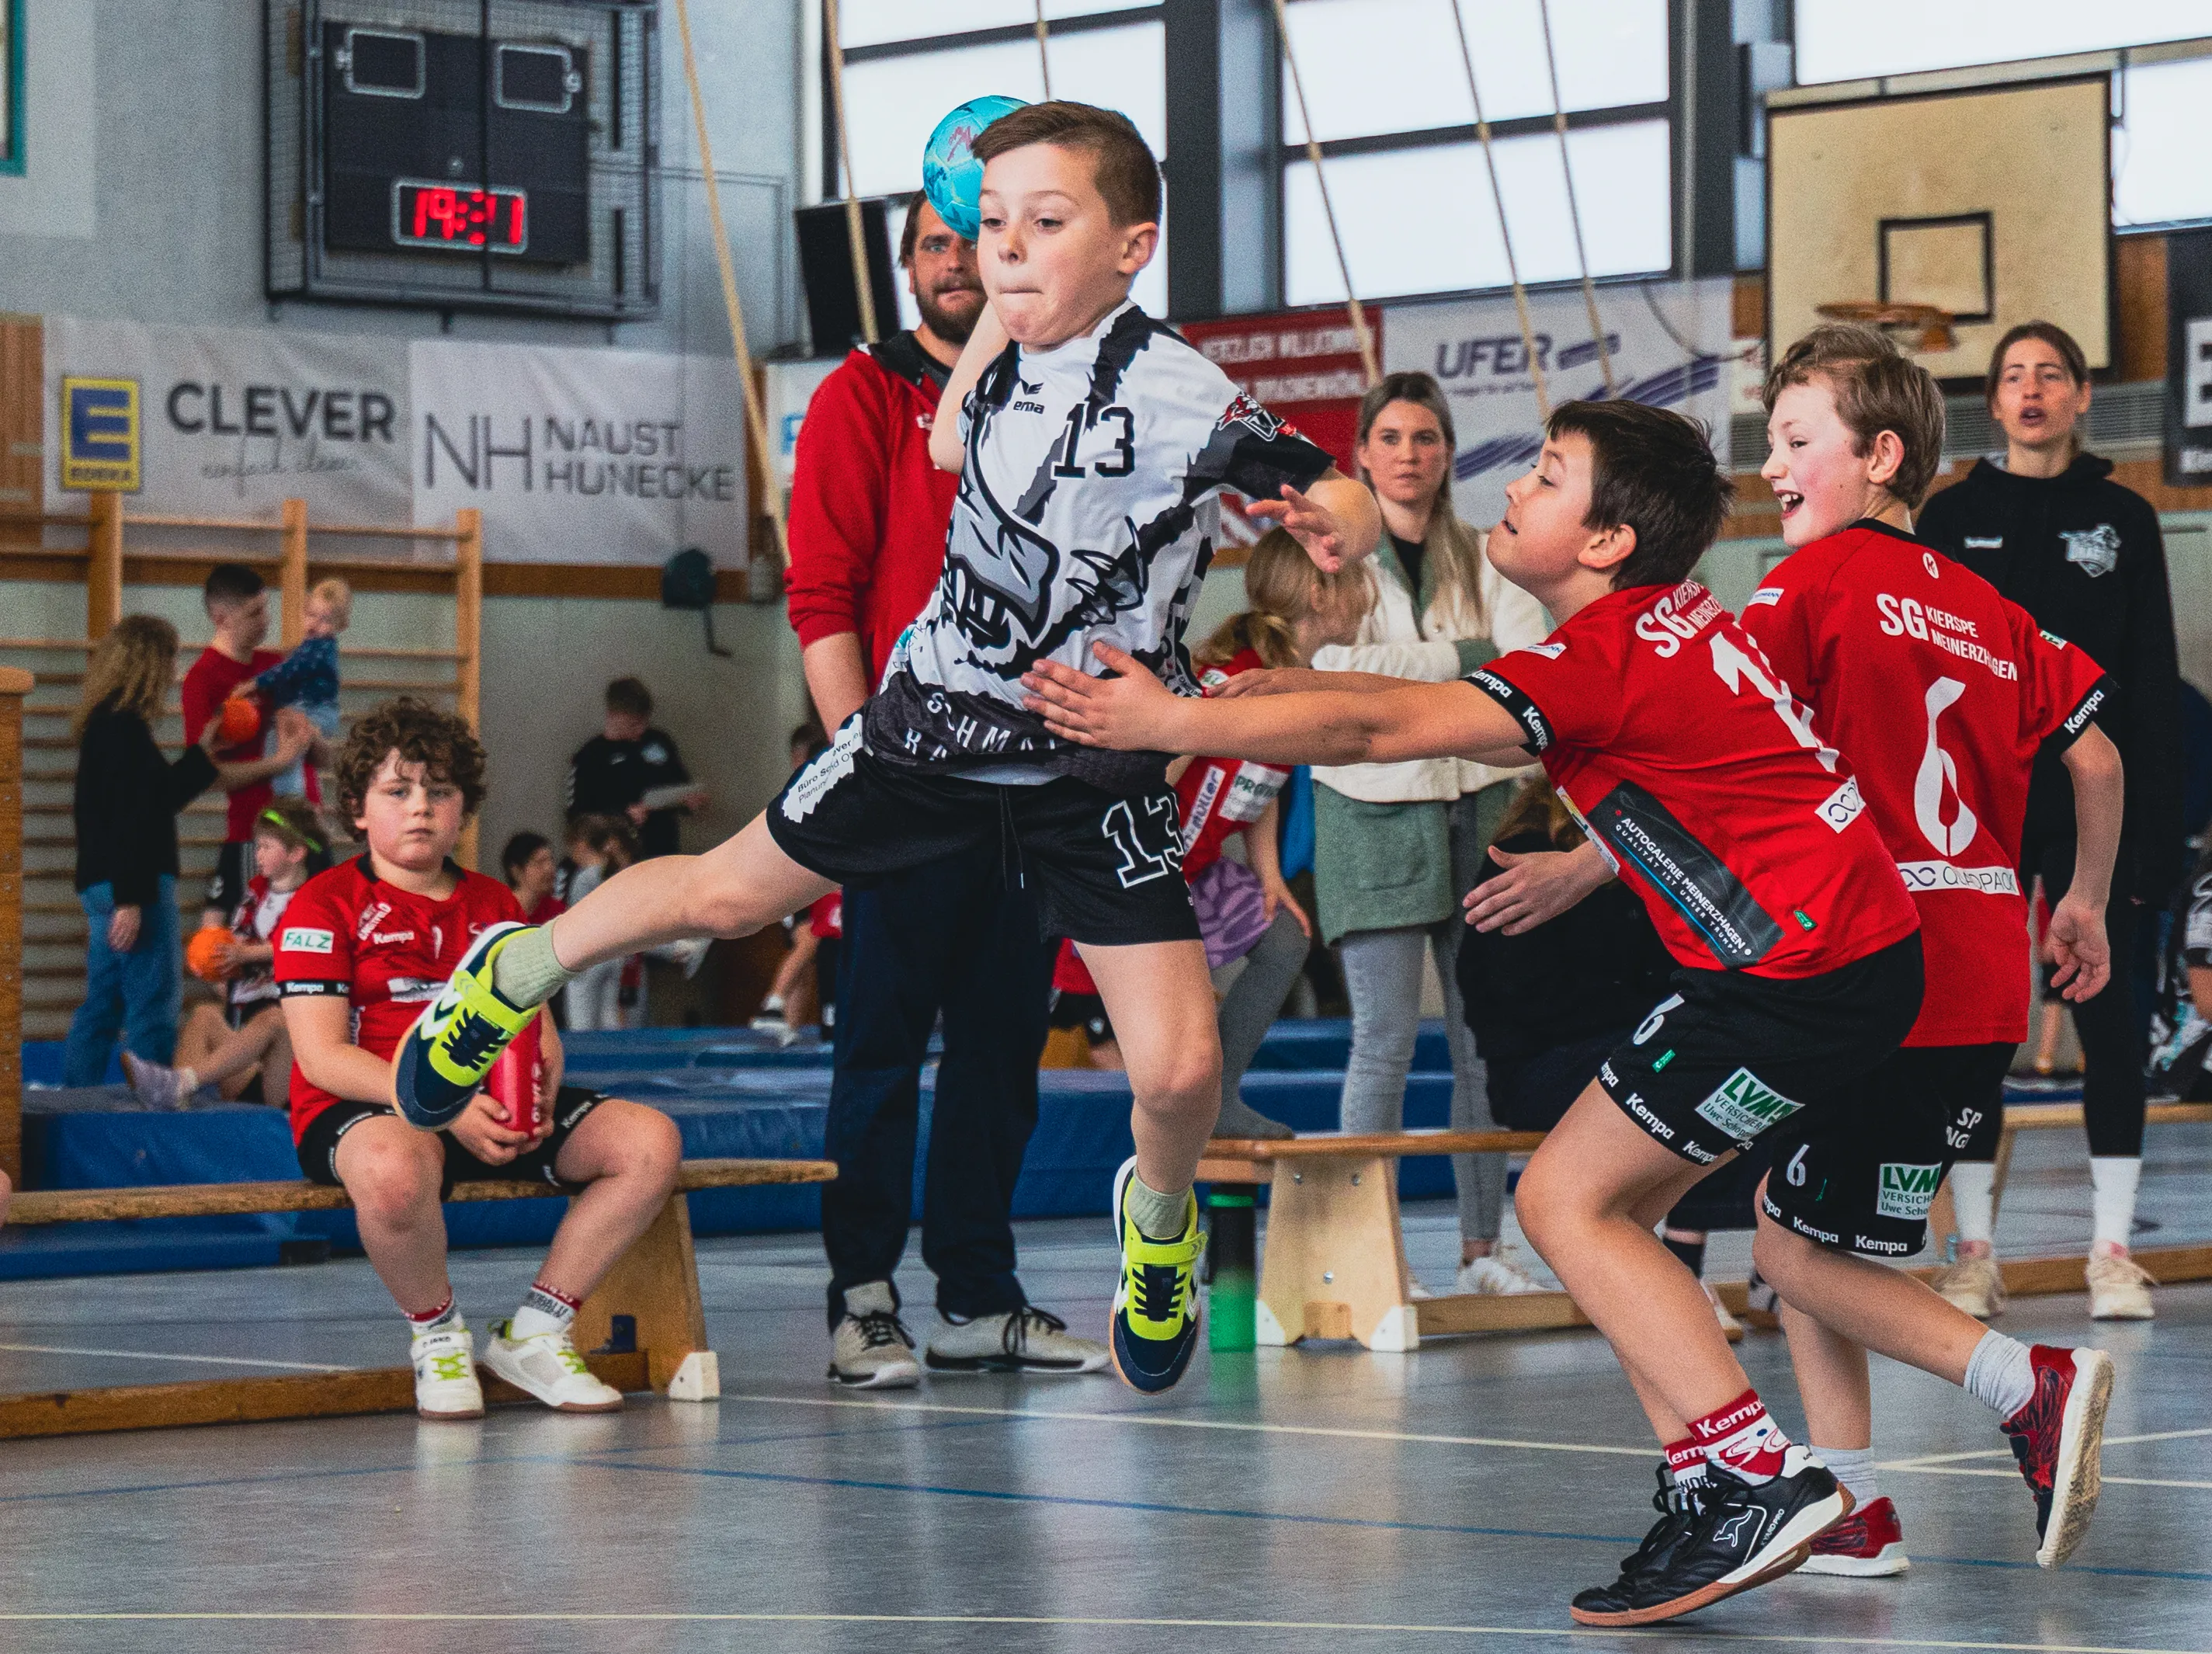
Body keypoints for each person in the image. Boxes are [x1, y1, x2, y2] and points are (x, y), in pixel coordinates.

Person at [1021, 398, 2110, 1623]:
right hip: (1839, 962)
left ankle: (1753, 1473)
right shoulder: (1659, 627)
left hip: (1792, 970)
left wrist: (1174, 722)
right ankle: (1717, 1484)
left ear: (1602, 540)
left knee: (1558, 1198)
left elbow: (1389, 723)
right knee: (1621, 1212)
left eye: (1544, 475)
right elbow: (1467, 724)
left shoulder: (1611, 652)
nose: (1513, 488)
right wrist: (1264, 687)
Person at [390, 100, 1379, 1399]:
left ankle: (1158, 1220)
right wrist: (989, 340)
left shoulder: (1178, 388)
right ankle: (506, 971)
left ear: (1132, 247)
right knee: (718, 891)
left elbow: (1324, 471)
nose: (1007, 251)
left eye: (1046, 223)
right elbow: (948, 439)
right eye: (993, 226)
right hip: (929, 731)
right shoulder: (987, 357)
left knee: (1182, 1067)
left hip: (1089, 767)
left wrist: (1339, 516)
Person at [1726, 324, 2120, 1576]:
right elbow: (2098, 756)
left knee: (1786, 1249)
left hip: (1860, 972)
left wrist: (1585, 861)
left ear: (1879, 453)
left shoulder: (1802, 588)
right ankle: (1852, 1506)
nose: (1769, 467)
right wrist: (2086, 902)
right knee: (1806, 1231)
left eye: (1795, 443)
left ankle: (2022, 1380)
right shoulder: (1984, 604)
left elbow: (1722, 756)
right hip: (1977, 975)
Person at [275, 698, 684, 1419]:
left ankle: (536, 1329)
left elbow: (540, 1028)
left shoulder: (496, 902)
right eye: (397, 792)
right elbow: (320, 1056)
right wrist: (449, 1106)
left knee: (649, 1142)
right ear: (357, 809)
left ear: (464, 807)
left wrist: (534, 1098)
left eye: (439, 792)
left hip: (487, 1104)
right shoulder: (320, 905)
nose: (420, 809)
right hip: (366, 1108)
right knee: (394, 1174)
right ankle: (436, 1335)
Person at [1917, 319, 2182, 1321]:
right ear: (1991, 401)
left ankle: (2110, 1252)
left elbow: (2149, 681)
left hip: (2093, 805)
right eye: (2012, 376)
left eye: (2050, 375)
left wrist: (2150, 842)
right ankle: (1971, 1250)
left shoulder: (2122, 517)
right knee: (1976, 1028)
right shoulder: (1947, 517)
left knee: (2105, 1023)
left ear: (2078, 396)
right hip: (1975, 809)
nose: (2030, 391)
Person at [1314, 371, 1550, 1294]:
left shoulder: (1485, 551)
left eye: (1425, 438)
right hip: (1367, 806)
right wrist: (1462, 661)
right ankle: (1356, 1252)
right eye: (1391, 438)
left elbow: (1527, 661)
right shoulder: (1330, 558)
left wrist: (1407, 677)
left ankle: (1480, 1250)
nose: (1408, 455)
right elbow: (1333, 666)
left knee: (1478, 1040)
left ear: (1446, 452)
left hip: (1481, 806)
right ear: (1361, 454)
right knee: (1380, 1038)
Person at [1047, 528, 1366, 1129]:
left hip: (1195, 867)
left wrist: (1268, 873)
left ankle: (1217, 1099)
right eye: (1355, 577)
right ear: (1321, 594)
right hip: (1139, 870)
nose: (1367, 592)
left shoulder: (1289, 682)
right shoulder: (1231, 681)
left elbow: (1264, 782)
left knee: (1284, 939)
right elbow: (1157, 769)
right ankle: (1172, 1114)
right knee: (1126, 1024)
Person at [1456, 779, 1750, 1337]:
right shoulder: (1522, 857)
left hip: (1622, 1042)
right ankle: (1678, 1273)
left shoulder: (1640, 859)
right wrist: (1636, 1023)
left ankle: (1717, 1264)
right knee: (1695, 1078)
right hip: (1540, 1063)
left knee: (1742, 1075)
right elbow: (1508, 991)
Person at [67, 614, 308, 1087]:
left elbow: (158, 798)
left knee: (106, 998)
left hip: (103, 879)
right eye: (170, 660)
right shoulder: (122, 732)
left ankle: (78, 1097)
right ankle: (151, 1102)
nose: (174, 672)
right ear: (148, 665)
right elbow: (129, 819)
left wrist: (202, 751)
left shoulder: (111, 726)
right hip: (129, 880)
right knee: (153, 998)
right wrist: (131, 898)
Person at [123, 797, 331, 1110]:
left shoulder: (318, 901)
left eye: (266, 847)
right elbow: (236, 948)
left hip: (290, 1068)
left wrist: (247, 956)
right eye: (257, 846)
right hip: (249, 1062)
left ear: (296, 853)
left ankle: (183, 1082)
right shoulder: (254, 898)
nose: (257, 854)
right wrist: (212, 960)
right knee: (206, 1015)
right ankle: (173, 1095)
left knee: (275, 1019)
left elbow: (300, 946)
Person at [182, 565, 290, 926]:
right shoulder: (203, 679)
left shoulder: (274, 666)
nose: (266, 620)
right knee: (238, 936)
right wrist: (277, 763)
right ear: (221, 617)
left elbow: (315, 754)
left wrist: (310, 737)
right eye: (254, 613)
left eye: (266, 607)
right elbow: (205, 776)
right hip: (253, 830)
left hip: (300, 823)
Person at [566, 678, 706, 860]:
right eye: (633, 724)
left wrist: (690, 802)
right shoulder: (590, 756)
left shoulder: (658, 741)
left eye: (644, 722)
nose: (641, 730)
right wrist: (623, 815)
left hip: (664, 850)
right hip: (617, 858)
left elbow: (679, 782)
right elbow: (577, 819)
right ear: (612, 715)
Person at [252, 576, 351, 798]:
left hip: (317, 710)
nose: (315, 623)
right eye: (311, 615)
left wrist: (256, 683)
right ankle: (287, 794)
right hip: (314, 709)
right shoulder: (308, 648)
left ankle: (291, 797)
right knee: (281, 739)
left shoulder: (318, 648)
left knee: (285, 740)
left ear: (341, 625)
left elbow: (291, 670)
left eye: (325, 620)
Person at [502, 831, 566, 927]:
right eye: (540, 863)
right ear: (516, 871)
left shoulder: (557, 912)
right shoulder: (498, 912)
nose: (549, 869)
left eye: (551, 861)